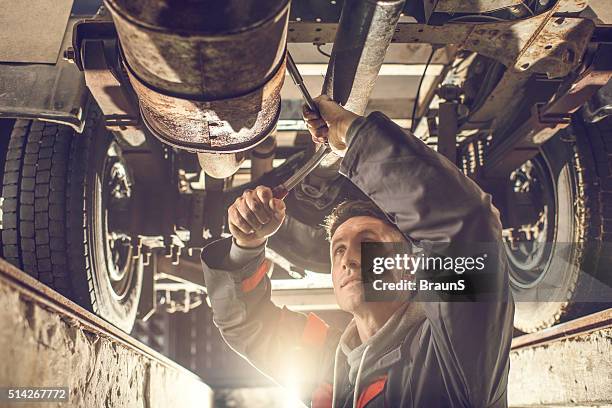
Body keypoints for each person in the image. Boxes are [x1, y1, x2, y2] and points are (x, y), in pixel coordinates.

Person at [200, 95, 515, 407]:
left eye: (368, 243)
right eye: (338, 250)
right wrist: (247, 247)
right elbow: (250, 326)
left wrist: (353, 135)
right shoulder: (332, 366)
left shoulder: (449, 354)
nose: (348, 259)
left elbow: (466, 228)